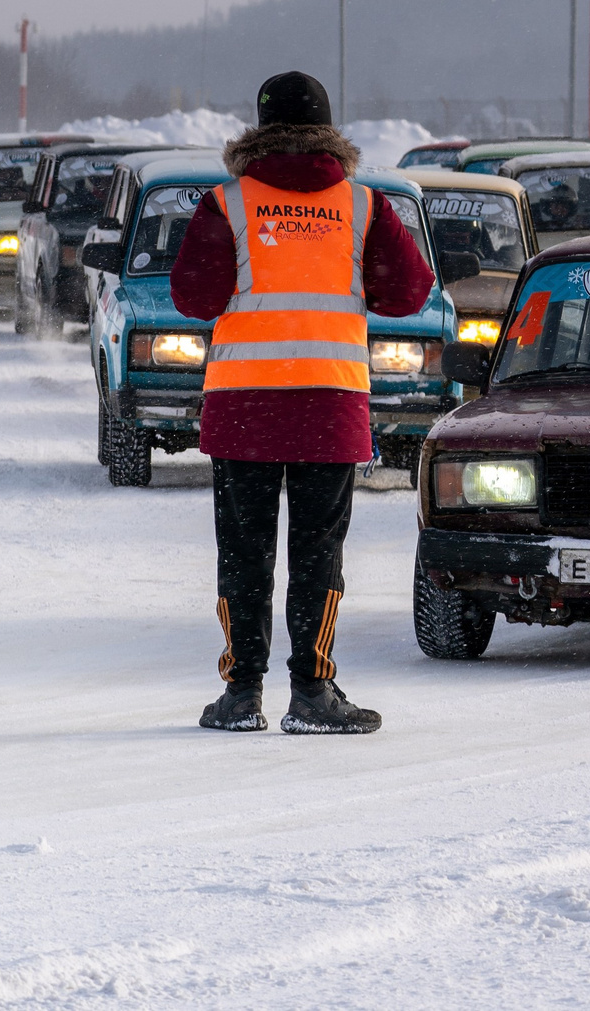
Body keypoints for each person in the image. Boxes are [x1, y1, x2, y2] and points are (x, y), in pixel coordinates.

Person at [168, 71, 433, 735]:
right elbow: (410, 292)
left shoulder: (228, 203)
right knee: (319, 552)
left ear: (257, 132)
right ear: (328, 131)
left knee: (245, 552)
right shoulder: (364, 205)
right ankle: (313, 691)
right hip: (329, 403)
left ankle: (242, 692)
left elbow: (193, 297)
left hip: (244, 406)